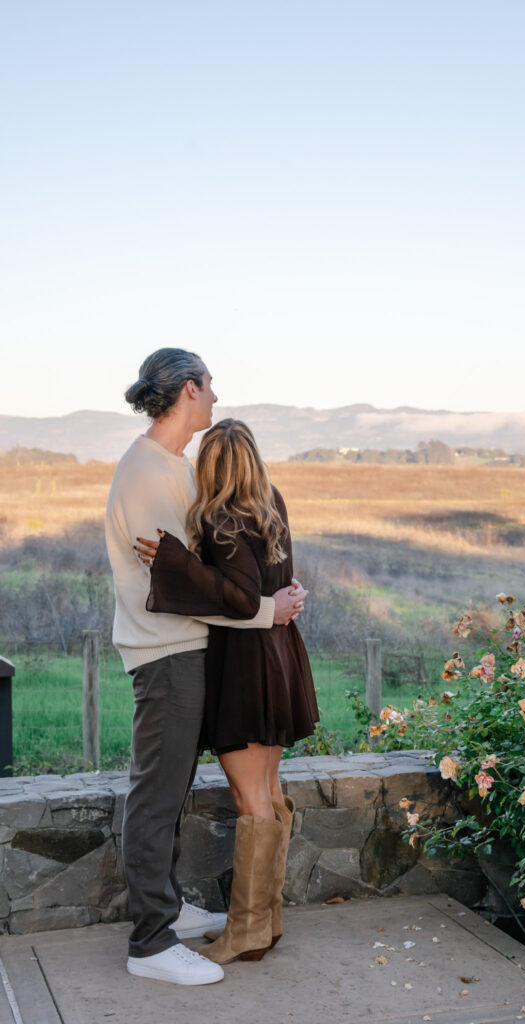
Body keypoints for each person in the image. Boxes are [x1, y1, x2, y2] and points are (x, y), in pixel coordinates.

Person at [105, 349, 306, 987]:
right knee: (156, 796)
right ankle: (151, 943)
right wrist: (267, 611)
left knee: (169, 792)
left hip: (190, 650)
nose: (216, 396)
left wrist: (269, 602)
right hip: (164, 652)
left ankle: (165, 909)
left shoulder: (175, 468)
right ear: (189, 389)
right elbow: (192, 588)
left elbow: (217, 572)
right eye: (210, 385)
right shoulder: (146, 473)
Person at [138, 418, 319, 965]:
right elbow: (272, 585)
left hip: (245, 666)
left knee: (251, 799)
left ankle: (245, 930)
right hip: (283, 656)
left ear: (212, 466)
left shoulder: (220, 521)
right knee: (269, 788)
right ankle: (268, 920)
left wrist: (177, 564)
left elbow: (241, 597)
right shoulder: (272, 502)